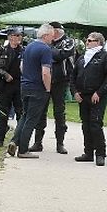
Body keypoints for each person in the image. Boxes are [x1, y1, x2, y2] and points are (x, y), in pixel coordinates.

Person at [71, 32, 107, 166]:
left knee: (95, 124)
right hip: (83, 96)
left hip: (97, 96)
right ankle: (88, 153)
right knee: (85, 125)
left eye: (90, 40)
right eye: (87, 40)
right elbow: (73, 77)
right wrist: (74, 92)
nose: (87, 42)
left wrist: (99, 92)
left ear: (98, 42)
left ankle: (100, 154)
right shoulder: (82, 58)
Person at [8, 23, 55, 158]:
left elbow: (22, 66)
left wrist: (28, 77)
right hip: (38, 88)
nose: (52, 38)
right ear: (45, 35)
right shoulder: (45, 49)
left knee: (25, 115)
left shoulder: (28, 47)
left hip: (25, 85)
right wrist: (48, 89)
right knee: (31, 119)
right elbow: (45, 72)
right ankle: (23, 150)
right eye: (51, 36)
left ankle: (14, 141)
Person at [31, 21, 77, 154]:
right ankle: (37, 142)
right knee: (40, 111)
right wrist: (51, 52)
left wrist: (47, 51)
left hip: (60, 81)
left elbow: (62, 55)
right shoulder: (46, 42)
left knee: (59, 112)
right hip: (44, 80)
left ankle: (60, 143)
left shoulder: (68, 41)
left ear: (56, 31)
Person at [0, 29, 24, 148]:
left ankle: (19, 140)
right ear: (10, 37)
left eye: (20, 35)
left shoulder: (24, 51)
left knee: (20, 113)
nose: (18, 37)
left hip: (19, 85)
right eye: (16, 35)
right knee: (3, 113)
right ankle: (0, 139)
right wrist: (4, 74)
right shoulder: (1, 50)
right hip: (4, 86)